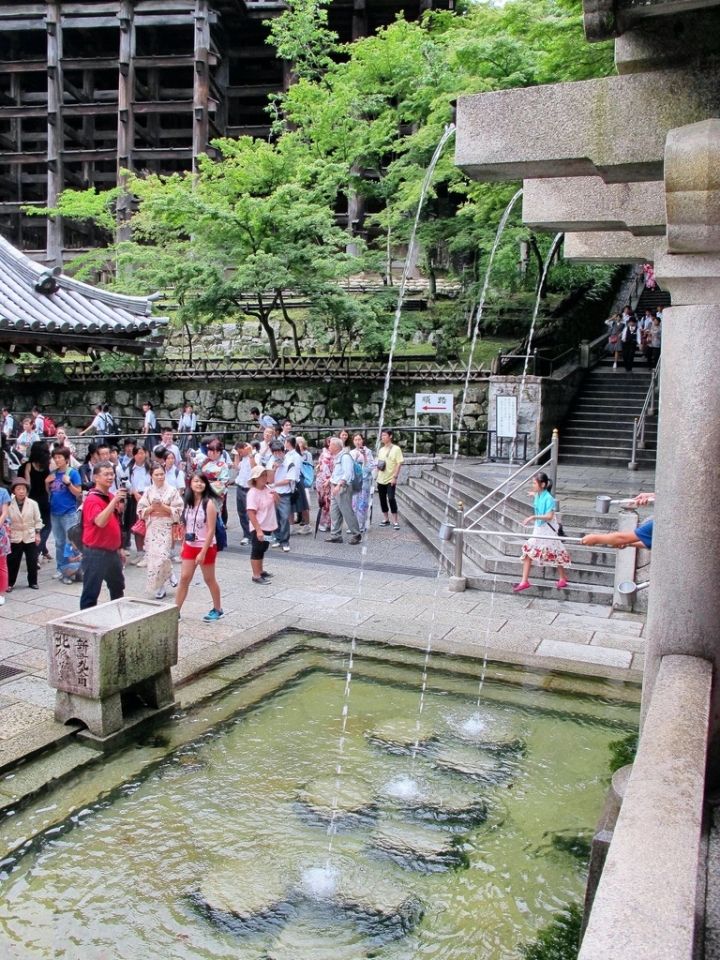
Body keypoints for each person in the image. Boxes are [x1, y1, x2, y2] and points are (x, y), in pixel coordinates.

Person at [175, 471, 224, 622]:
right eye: (196, 481)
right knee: (184, 577)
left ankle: (218, 608)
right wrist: (184, 544)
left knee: (209, 578)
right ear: (190, 483)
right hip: (190, 545)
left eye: (202, 482)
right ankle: (176, 610)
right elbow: (186, 526)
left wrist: (203, 552)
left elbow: (211, 530)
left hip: (206, 546)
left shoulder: (209, 504)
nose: (199, 484)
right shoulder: (188, 502)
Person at [79, 461, 127, 609]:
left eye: (112, 474)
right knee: (91, 592)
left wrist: (120, 547)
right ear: (96, 477)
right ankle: (86, 619)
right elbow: (100, 521)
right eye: (106, 474)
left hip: (112, 552)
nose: (110, 477)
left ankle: (118, 615)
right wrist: (114, 502)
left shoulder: (110, 496)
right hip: (95, 553)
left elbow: (116, 523)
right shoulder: (92, 499)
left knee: (117, 587)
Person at [513, 472, 571, 592]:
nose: (533, 485)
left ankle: (562, 577)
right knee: (529, 551)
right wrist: (533, 494)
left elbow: (549, 516)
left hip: (547, 529)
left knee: (555, 551)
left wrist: (533, 517)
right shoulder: (539, 495)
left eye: (535, 483)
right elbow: (538, 496)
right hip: (539, 528)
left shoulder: (549, 498)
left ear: (543, 484)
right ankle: (524, 581)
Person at [137, 462, 183, 600]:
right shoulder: (148, 491)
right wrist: (151, 508)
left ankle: (169, 574)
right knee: (153, 558)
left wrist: (164, 507)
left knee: (162, 556)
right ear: (151, 476)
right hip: (152, 525)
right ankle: (162, 586)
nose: (160, 477)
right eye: (156, 474)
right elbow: (140, 510)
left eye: (162, 474)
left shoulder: (172, 490)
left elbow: (179, 509)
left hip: (166, 525)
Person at [46, 445, 82, 580]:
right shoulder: (53, 473)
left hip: (69, 512)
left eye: (59, 457)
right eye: (55, 457)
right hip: (54, 511)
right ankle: (60, 567)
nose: (57, 460)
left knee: (71, 541)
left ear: (66, 458)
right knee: (58, 542)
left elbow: (78, 493)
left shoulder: (72, 473)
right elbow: (49, 492)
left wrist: (68, 484)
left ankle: (72, 568)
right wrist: (46, 483)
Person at [581, 492, 655, 550]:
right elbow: (651, 541)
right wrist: (628, 543)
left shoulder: (654, 524)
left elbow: (621, 538)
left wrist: (595, 539)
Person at [6, 477, 43, 591]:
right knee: (13, 561)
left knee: (32, 560)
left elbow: (38, 520)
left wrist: (37, 534)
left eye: (23, 489)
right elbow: (6, 520)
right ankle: (9, 583)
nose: (21, 491)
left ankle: (33, 582)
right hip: (15, 535)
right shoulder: (8, 504)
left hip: (29, 534)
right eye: (18, 489)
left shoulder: (33, 503)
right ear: (14, 491)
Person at [325, 436, 362, 545]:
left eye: (330, 445)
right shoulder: (338, 457)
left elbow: (348, 473)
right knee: (334, 512)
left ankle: (356, 534)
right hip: (336, 488)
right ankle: (335, 535)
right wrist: (329, 481)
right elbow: (337, 472)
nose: (329, 446)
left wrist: (339, 485)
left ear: (336, 447)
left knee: (347, 512)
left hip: (342, 488)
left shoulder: (345, 457)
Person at [246, 464, 279, 583]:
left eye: (265, 475)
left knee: (263, 547)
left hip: (268, 525)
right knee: (257, 548)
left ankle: (260, 571)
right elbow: (251, 512)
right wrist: (258, 530)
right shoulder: (253, 493)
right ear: (255, 478)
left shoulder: (267, 488)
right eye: (262, 476)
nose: (265, 478)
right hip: (259, 526)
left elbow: (277, 502)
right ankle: (256, 575)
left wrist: (275, 495)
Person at [23, 440, 52, 563]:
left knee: (35, 526)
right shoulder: (49, 466)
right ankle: (38, 551)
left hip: (32, 500)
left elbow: (28, 486)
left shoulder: (29, 466)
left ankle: (43, 550)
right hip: (45, 499)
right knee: (47, 526)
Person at [268, 438, 299, 552]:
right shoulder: (271, 462)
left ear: (283, 452)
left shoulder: (290, 463)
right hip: (272, 493)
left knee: (284, 518)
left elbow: (288, 480)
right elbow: (268, 480)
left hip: (284, 494)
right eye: (275, 453)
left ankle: (285, 541)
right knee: (274, 517)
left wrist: (275, 484)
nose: (277, 455)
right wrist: (274, 469)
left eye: (279, 453)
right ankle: (277, 538)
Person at [123, 445, 151, 560]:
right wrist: (134, 493)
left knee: (149, 525)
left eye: (142, 453)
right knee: (137, 526)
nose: (140, 456)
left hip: (149, 498)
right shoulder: (129, 469)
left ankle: (150, 552)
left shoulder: (150, 467)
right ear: (134, 455)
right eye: (138, 453)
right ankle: (140, 553)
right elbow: (126, 483)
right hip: (135, 499)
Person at [376, 428, 404, 530]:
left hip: (390, 478)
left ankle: (395, 520)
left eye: (385, 435)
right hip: (380, 478)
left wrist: (395, 477)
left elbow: (399, 463)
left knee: (391, 498)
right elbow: (380, 463)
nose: (383, 437)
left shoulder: (396, 449)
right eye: (382, 435)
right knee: (382, 499)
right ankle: (386, 519)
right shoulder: (381, 450)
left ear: (390, 436)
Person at [350, 432, 375, 533]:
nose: (358, 442)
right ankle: (353, 525)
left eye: (359, 439)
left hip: (364, 480)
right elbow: (349, 466)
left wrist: (364, 455)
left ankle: (361, 525)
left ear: (362, 440)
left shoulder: (368, 451)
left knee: (363, 502)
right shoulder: (351, 452)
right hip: (354, 480)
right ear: (353, 441)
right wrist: (355, 460)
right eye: (355, 440)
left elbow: (370, 466)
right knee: (354, 502)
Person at [233, 441, 256, 545]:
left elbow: (255, 468)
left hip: (249, 489)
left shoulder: (255, 455)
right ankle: (246, 535)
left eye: (240, 451)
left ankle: (252, 534)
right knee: (241, 512)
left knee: (249, 513)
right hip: (240, 486)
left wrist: (250, 454)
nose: (240, 454)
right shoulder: (244, 457)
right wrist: (236, 454)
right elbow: (237, 467)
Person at [292, 436, 313, 534]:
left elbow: (308, 465)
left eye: (299, 442)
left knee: (305, 501)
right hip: (295, 479)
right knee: (295, 501)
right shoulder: (292, 453)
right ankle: (298, 519)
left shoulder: (306, 454)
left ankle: (306, 523)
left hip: (302, 478)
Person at [315, 438, 334, 532]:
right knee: (325, 503)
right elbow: (324, 470)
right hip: (324, 481)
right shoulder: (325, 455)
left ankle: (329, 523)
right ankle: (322, 523)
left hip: (330, 480)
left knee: (331, 503)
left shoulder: (332, 454)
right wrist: (327, 482)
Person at [0, 482, 11, 603]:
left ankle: (1, 592)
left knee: (1, 563)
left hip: (0, 531)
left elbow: (4, 513)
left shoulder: (2, 492)